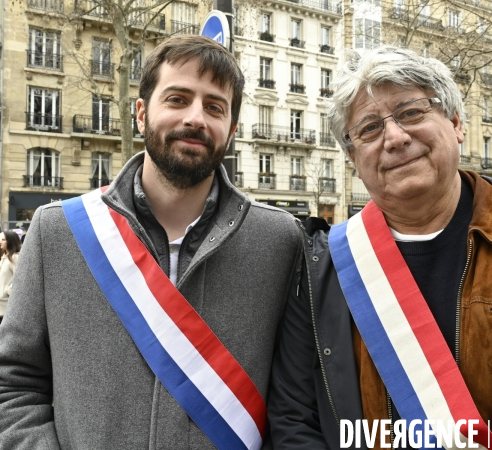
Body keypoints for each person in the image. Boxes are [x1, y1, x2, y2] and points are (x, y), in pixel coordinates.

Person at [268, 46, 492, 449]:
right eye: (369, 128)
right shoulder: (320, 266)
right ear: (354, 158)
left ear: (456, 122)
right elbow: (294, 419)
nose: (394, 137)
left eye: (410, 113)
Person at [0, 35, 302, 449]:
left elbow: (294, 399)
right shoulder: (57, 232)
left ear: (230, 131)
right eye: (177, 99)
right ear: (141, 114)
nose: (195, 118)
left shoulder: (279, 240)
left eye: (214, 107)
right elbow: (14, 383)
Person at [0, 230, 21, 323]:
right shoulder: (5, 257)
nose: (0, 241)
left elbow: (19, 279)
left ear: (10, 241)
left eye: (3, 239)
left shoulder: (15, 257)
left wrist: (8, 291)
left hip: (6, 307)